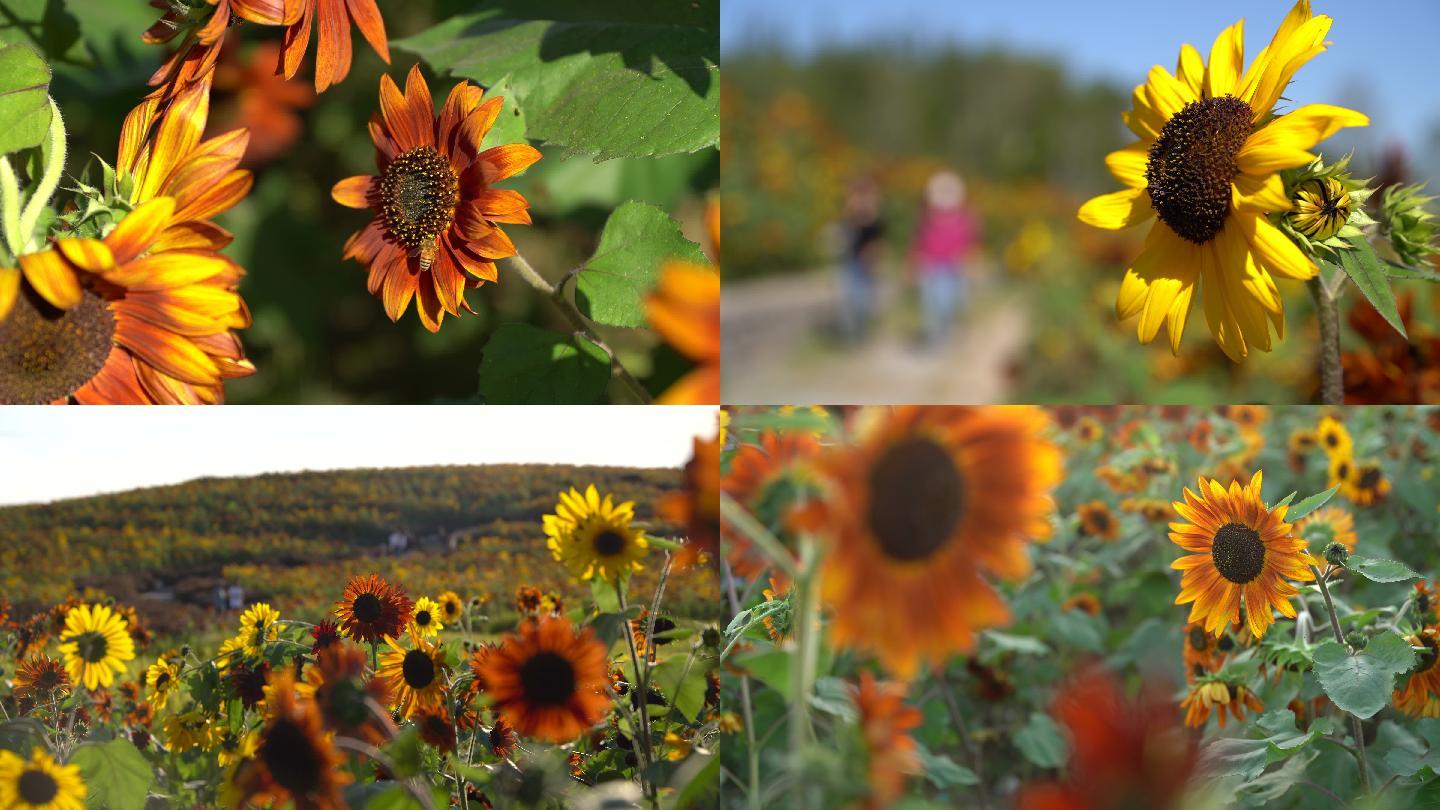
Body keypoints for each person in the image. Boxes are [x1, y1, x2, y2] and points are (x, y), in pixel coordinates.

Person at [911, 171, 980, 347]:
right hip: (930, 265)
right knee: (928, 303)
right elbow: (919, 241)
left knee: (946, 302)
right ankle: (934, 334)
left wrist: (970, 260)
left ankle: (944, 332)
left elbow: (971, 242)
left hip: (952, 268)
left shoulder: (964, 218)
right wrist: (914, 261)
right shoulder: (927, 217)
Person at [839, 175, 885, 341]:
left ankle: (860, 332)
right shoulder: (849, 216)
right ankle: (852, 334)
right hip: (850, 262)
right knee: (849, 299)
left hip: (865, 264)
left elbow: (876, 243)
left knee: (862, 301)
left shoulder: (873, 218)